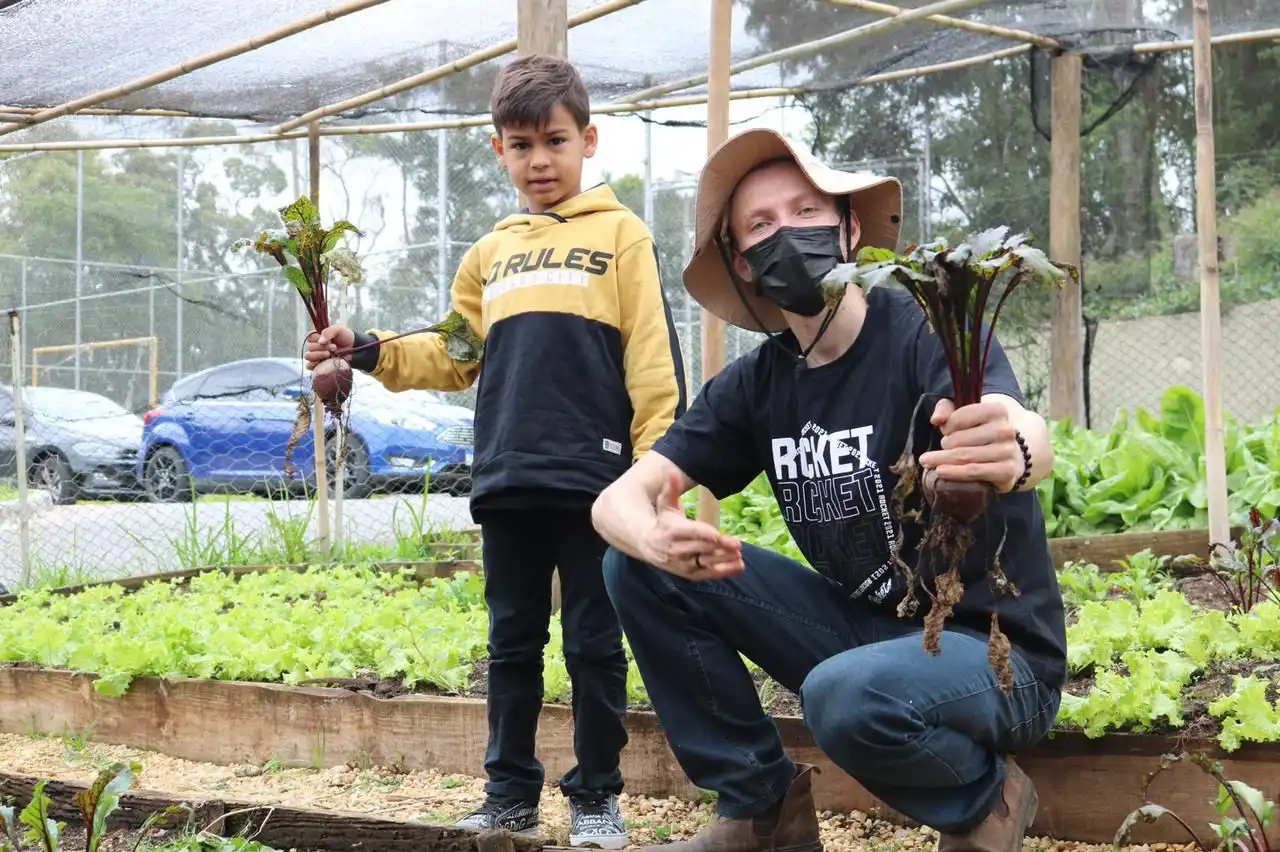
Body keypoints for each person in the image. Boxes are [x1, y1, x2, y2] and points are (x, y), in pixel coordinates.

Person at [589, 127, 1067, 852]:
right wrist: (654, 534)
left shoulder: (922, 334)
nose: (788, 234)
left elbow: (1021, 430)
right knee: (635, 565)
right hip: (868, 634)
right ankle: (761, 809)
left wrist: (1014, 450)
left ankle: (986, 799)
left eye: (806, 212)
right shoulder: (758, 383)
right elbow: (614, 500)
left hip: (994, 656)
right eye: (761, 225)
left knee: (842, 695)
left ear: (847, 228)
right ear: (745, 266)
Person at [306, 54, 687, 849]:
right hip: (508, 481)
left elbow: (653, 363)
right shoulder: (491, 252)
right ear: (498, 152)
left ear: (589, 139)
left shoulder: (623, 236)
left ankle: (596, 799)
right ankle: (509, 793)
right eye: (520, 145)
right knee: (511, 642)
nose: (538, 160)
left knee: (592, 644)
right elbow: (454, 353)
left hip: (599, 486)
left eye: (553, 141)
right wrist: (369, 348)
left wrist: (659, 478)